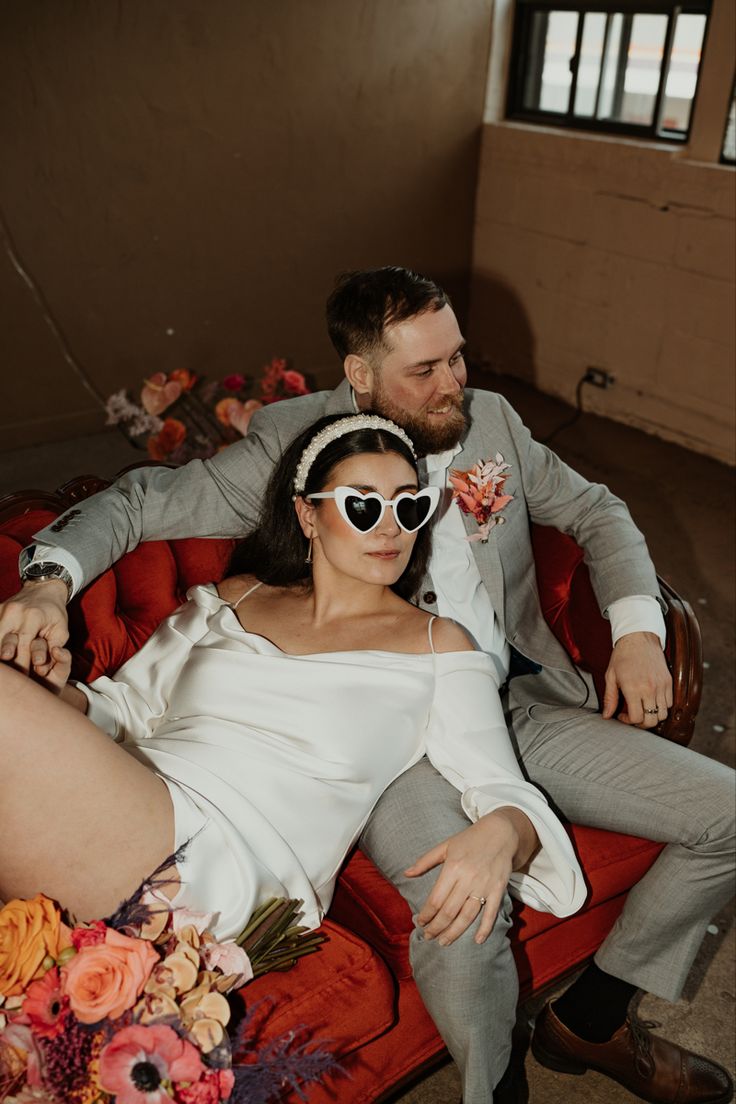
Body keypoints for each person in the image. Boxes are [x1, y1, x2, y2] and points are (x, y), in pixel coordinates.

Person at [1, 267, 733, 1104]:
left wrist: (637, 633)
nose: (454, 383)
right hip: (387, 730)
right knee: (462, 915)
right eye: (424, 371)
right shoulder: (296, 448)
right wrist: (50, 580)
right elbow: (139, 502)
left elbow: (599, 511)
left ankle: (592, 1019)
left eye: (458, 358)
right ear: (358, 376)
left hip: (518, 702)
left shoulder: (489, 420)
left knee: (728, 815)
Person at [0, 413, 584, 947]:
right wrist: (55, 694)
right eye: (363, 505)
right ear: (308, 514)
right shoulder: (234, 596)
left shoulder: (438, 645)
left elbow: (503, 787)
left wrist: (504, 831)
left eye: (408, 508)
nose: (390, 530)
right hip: (138, 794)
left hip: (224, 863)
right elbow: (126, 710)